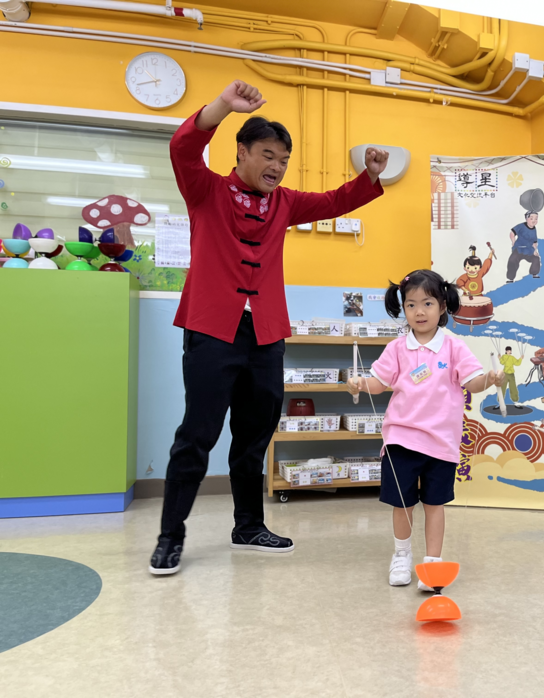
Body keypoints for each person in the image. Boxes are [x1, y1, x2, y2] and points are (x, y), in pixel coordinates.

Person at [149, 80, 389, 576]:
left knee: (255, 436)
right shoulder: (206, 190)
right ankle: (170, 537)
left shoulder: (285, 203)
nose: (277, 166)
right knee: (197, 434)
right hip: (212, 330)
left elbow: (334, 202)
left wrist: (368, 176)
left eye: (283, 159)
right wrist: (223, 106)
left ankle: (248, 527)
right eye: (267, 155)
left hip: (265, 335)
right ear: (241, 152)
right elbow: (183, 148)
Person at [347, 270, 504, 588]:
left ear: (443, 306)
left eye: (428, 303)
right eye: (411, 304)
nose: (419, 311)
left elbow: (472, 382)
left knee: (435, 504)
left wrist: (489, 379)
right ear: (403, 308)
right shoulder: (396, 348)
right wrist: (361, 383)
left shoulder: (454, 347)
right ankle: (401, 555)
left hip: (441, 442)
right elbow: (379, 383)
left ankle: (432, 563)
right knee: (402, 504)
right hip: (401, 438)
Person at [506, 211, 541, 283]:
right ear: (526, 219)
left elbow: (534, 242)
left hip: (529, 250)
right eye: (531, 218)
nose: (534, 220)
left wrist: (535, 251)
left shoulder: (534, 229)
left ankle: (534, 274)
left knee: (536, 258)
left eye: (536, 219)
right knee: (512, 260)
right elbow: (512, 233)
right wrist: (513, 242)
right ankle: (510, 278)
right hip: (519, 249)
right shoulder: (521, 226)